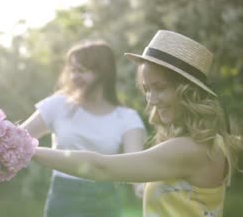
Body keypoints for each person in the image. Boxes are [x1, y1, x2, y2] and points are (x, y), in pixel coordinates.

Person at [33, 30, 242, 217]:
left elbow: (100, 167)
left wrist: (29, 150)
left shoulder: (189, 149)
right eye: (147, 89)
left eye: (160, 87)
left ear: (188, 91)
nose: (150, 100)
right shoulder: (211, 143)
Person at [21, 41, 146, 217]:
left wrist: (143, 190)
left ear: (103, 72)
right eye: (72, 70)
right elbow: (15, 140)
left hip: (106, 204)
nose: (74, 77)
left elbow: (136, 166)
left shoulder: (127, 117)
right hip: (63, 201)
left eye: (82, 70)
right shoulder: (57, 106)